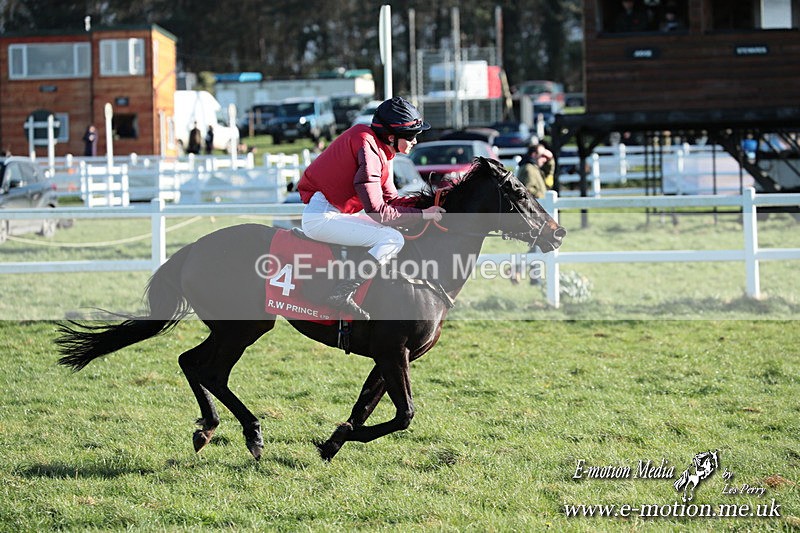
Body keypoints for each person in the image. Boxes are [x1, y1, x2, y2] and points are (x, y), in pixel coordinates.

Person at [296, 96, 445, 320]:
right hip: (322, 218)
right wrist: (424, 215)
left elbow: (392, 201)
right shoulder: (368, 148)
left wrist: (431, 204)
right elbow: (379, 212)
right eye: (412, 136)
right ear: (392, 136)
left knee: (395, 233)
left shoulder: (377, 147)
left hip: (332, 213)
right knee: (392, 239)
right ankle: (342, 293)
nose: (415, 141)